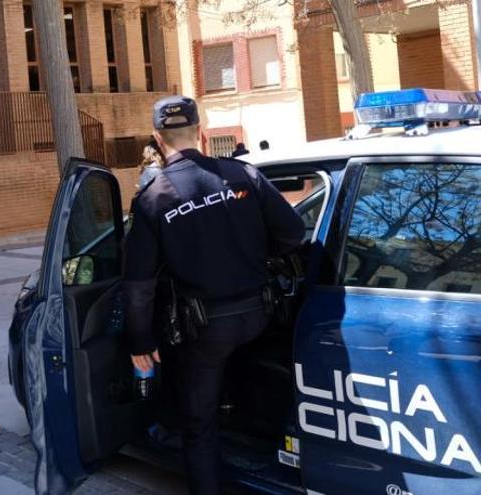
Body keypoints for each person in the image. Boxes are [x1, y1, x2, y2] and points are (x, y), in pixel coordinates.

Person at [123, 96, 304, 495]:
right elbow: (294, 233)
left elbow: (138, 285)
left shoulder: (153, 198)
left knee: (199, 426)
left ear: (158, 137)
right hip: (261, 315)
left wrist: (140, 341)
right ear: (200, 132)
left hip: (205, 332)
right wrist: (256, 254)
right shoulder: (243, 175)